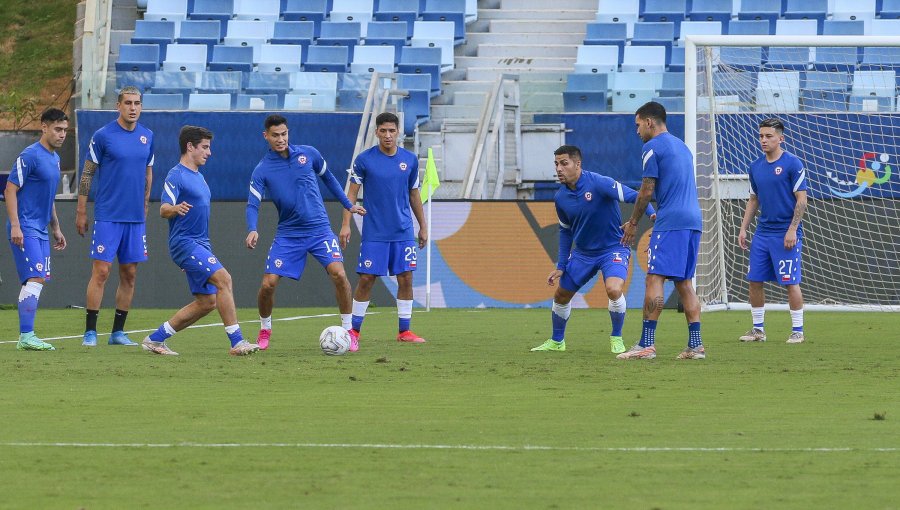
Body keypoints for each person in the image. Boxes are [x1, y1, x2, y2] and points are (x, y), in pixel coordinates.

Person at [245, 114, 366, 350]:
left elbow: (330, 179)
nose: (281, 139)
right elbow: (253, 203)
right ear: (266, 136)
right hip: (288, 234)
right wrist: (252, 229)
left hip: (320, 230)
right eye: (275, 135)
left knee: (339, 275)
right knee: (268, 284)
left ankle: (349, 331)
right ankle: (265, 329)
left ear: (288, 132)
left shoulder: (308, 153)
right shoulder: (262, 170)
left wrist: (348, 205)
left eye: (284, 134)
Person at [142, 126, 259, 356]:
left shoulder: (200, 177)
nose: (209, 152)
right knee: (224, 279)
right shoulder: (176, 175)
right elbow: (163, 209)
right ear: (190, 147)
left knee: (207, 302)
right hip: (184, 244)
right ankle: (237, 342)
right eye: (205, 147)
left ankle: (155, 339)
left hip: (201, 244)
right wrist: (175, 208)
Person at [530, 145, 655, 354]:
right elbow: (565, 232)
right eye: (556, 164)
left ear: (577, 164)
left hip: (613, 248)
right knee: (561, 296)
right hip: (583, 254)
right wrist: (561, 266)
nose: (559, 169)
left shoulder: (599, 183)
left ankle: (616, 337)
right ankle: (557, 341)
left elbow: (637, 195)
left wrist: (651, 215)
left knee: (614, 289)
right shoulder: (561, 198)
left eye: (564, 163)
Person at [618, 101, 706, 360]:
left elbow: (647, 189)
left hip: (672, 222)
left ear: (649, 122)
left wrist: (633, 223)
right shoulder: (683, 147)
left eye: (637, 125)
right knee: (685, 283)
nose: (637, 131)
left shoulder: (651, 147)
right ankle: (695, 345)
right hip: (693, 220)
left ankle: (646, 344)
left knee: (654, 278)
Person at [339, 112, 427, 351]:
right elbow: (352, 195)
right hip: (375, 232)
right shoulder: (364, 160)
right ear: (376, 132)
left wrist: (423, 226)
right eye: (383, 131)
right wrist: (346, 223)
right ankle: (354, 331)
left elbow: (414, 194)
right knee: (367, 279)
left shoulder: (409, 160)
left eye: (392, 131)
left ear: (398, 132)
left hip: (403, 230)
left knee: (406, 277)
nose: (387, 135)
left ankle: (404, 330)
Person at [75, 86, 153, 347]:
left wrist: (145, 204)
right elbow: (87, 173)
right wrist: (81, 210)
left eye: (137, 103)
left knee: (129, 274)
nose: (133, 108)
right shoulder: (103, 136)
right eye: (128, 103)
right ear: (118, 106)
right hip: (108, 215)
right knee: (102, 271)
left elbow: (147, 173)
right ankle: (90, 331)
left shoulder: (147, 136)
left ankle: (117, 333)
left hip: (135, 218)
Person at [737, 118, 808, 344]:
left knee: (790, 282)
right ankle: (758, 330)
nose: (764, 140)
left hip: (785, 233)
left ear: (781, 138)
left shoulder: (793, 164)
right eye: (761, 136)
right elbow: (753, 199)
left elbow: (802, 200)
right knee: (754, 280)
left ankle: (798, 330)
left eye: (769, 136)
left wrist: (792, 230)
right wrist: (743, 228)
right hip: (762, 233)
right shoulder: (755, 167)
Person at [5, 108, 69, 351]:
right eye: (57, 129)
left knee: (37, 279)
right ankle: (26, 336)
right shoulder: (29, 155)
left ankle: (26, 336)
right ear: (44, 127)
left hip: (41, 228)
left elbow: (48, 196)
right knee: (35, 277)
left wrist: (56, 227)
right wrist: (16, 226)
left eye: (65, 130)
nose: (62, 135)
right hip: (25, 225)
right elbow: (10, 190)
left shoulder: (54, 158)